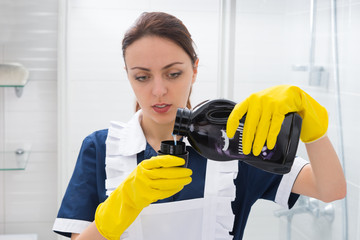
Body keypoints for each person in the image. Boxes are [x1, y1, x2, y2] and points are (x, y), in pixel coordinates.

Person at [52, 12, 346, 240]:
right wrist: (124, 202)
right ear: (128, 76)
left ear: (194, 70)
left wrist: (313, 129)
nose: (158, 91)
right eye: (142, 77)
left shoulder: (229, 144)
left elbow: (330, 189)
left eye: (173, 73)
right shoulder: (101, 148)